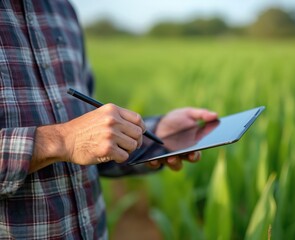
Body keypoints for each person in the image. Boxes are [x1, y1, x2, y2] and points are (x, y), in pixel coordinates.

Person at [0, 0, 217, 239]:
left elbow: (88, 140)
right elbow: (73, 137)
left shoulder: (64, 10)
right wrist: (61, 140)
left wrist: (158, 134)